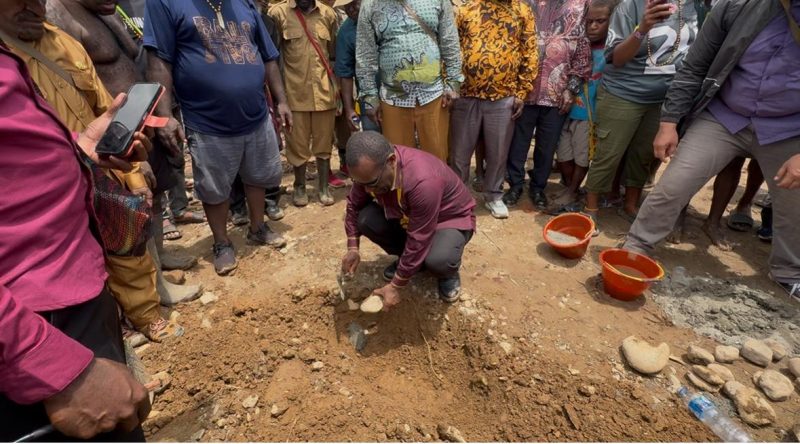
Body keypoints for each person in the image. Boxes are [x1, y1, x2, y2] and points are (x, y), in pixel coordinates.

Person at [2, 2, 184, 341]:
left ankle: (145, 315)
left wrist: (132, 167)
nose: (32, 7)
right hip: (47, 188)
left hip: (100, 164)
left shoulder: (63, 43)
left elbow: (105, 106)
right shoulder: (7, 64)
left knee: (126, 242)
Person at [0, 34, 151, 440]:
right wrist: (55, 367)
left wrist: (79, 149)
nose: (37, 7)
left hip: (68, 310)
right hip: (33, 334)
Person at [624, 0, 800, 302]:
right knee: (674, 185)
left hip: (788, 130)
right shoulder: (739, 6)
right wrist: (668, 123)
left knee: (795, 205)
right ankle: (636, 247)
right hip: (724, 115)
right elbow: (695, 66)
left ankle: (789, 272)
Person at [47, 0, 202, 303]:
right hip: (113, 140)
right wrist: (120, 154)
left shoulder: (106, 11)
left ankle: (161, 264)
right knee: (132, 214)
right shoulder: (58, 14)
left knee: (155, 199)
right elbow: (77, 93)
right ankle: (155, 290)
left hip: (141, 125)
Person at [144, 0, 291, 275]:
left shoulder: (244, 4)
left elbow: (268, 56)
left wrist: (281, 100)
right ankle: (222, 243)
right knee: (214, 187)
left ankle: (258, 227)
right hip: (207, 118)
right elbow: (159, 61)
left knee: (258, 175)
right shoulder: (166, 3)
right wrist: (165, 115)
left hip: (255, 113)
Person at [582, 0, 698, 232]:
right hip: (623, 94)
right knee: (609, 153)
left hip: (664, 99)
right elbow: (615, 57)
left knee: (643, 154)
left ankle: (631, 204)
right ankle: (590, 208)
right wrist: (642, 28)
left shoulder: (693, 7)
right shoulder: (631, 6)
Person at [341, 132, 476, 307]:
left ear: (391, 161)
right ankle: (414, 265)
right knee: (366, 220)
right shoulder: (371, 173)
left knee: (439, 260)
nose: (367, 190)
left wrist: (396, 285)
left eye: (372, 183)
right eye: (361, 183)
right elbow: (353, 205)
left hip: (446, 220)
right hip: (409, 217)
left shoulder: (423, 181)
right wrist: (353, 248)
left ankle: (446, 273)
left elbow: (419, 237)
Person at [448, 0, 538, 220]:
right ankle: (456, 199)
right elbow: (450, 47)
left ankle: (493, 196)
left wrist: (521, 91)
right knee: (459, 153)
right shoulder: (466, 8)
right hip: (466, 94)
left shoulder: (522, 10)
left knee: (498, 153)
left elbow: (530, 52)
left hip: (503, 96)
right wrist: (450, 85)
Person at [502, 0, 592, 210]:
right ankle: (515, 185)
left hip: (557, 93)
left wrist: (570, 89)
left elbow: (582, 52)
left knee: (547, 146)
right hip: (524, 91)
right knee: (518, 142)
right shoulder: (526, 3)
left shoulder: (580, 6)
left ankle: (538, 187)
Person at [355, 0, 464, 161]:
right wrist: (370, 97)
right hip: (393, 98)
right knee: (398, 161)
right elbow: (365, 54)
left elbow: (450, 41)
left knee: (436, 159)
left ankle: (433, 187)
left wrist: (454, 83)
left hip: (434, 95)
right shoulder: (370, 5)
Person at [270, 0, 340, 207]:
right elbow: (273, 57)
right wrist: (278, 97)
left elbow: (333, 54)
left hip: (324, 94)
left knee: (324, 143)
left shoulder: (328, 14)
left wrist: (336, 91)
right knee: (297, 145)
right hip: (294, 94)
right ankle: (299, 186)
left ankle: (323, 186)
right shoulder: (279, 13)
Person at [551, 0, 617, 212]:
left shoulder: (612, 52)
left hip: (590, 116)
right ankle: (572, 188)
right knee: (563, 155)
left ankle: (572, 190)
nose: (593, 27)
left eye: (600, 22)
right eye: (589, 22)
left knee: (582, 157)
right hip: (568, 111)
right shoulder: (579, 45)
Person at [333, 0, 380, 140]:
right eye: (347, 7)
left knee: (399, 144)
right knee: (373, 143)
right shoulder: (345, 32)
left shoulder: (383, 16)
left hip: (395, 94)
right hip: (369, 99)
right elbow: (345, 74)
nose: (351, 9)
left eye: (355, 4)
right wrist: (349, 109)